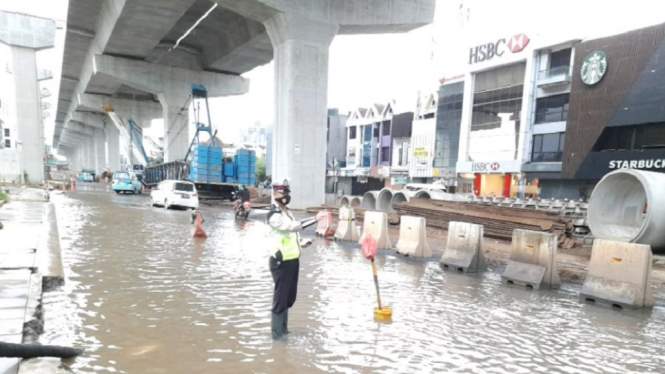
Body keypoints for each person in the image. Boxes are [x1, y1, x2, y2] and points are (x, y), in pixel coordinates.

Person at [267, 180, 326, 340]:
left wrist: (301, 243)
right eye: (281, 193)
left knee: (289, 298)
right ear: (275, 195)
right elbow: (293, 227)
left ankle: (284, 331)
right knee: (280, 299)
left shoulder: (288, 213)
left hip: (292, 260)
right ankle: (277, 336)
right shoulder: (274, 215)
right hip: (281, 262)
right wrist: (315, 218)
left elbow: (291, 235)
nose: (285, 196)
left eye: (286, 193)